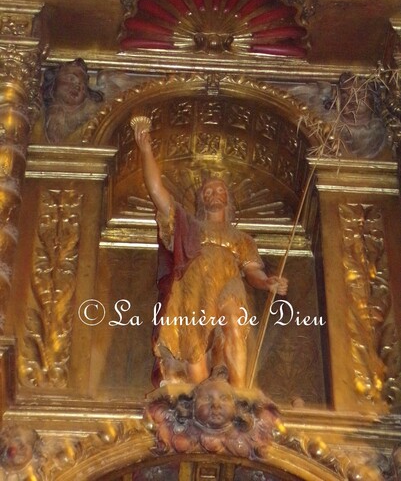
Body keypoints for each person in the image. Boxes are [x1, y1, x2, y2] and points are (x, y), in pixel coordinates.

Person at [132, 116, 288, 388]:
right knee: (192, 341)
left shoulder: (241, 238)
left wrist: (267, 283)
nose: (213, 193)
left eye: (219, 190)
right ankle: (201, 394)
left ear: (228, 199)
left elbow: (252, 271)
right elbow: (157, 192)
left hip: (229, 283)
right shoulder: (189, 226)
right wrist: (146, 150)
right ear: (200, 200)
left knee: (235, 324)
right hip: (193, 286)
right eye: (207, 191)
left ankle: (239, 393)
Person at [42, 58, 104, 144]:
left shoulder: (93, 121)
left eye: (83, 84)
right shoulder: (39, 117)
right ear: (54, 83)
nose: (77, 86)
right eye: (71, 79)